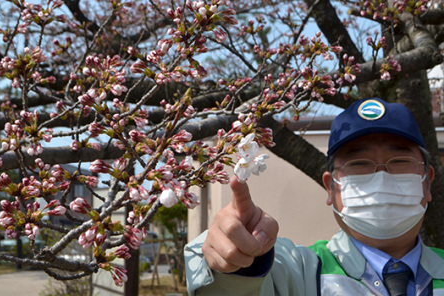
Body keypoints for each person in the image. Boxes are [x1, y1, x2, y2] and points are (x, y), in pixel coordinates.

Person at [184, 98, 444, 295]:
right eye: (359, 163)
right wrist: (238, 258)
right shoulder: (300, 272)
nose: (381, 176)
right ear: (331, 188)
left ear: (427, 181)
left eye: (399, 160)